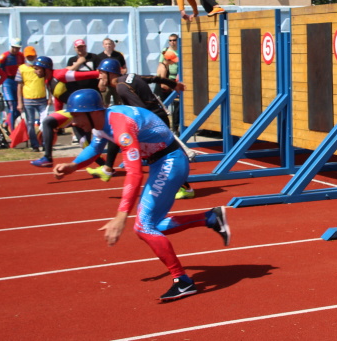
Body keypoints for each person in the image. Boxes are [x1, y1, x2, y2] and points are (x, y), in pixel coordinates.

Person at [52, 89, 230, 301]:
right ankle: (209, 218)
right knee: (150, 225)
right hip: (161, 162)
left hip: (170, 162)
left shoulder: (121, 126)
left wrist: (121, 216)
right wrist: (72, 167)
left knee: (143, 226)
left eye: (77, 116)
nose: (74, 122)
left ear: (93, 112)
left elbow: (134, 173)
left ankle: (182, 281)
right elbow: (94, 148)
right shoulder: (101, 122)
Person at [92, 58, 195, 200]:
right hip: (156, 116)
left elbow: (141, 110)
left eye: (101, 73)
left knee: (159, 155)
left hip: (152, 119)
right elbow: (154, 78)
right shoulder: (130, 77)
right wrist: (174, 84)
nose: (98, 76)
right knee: (121, 135)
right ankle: (108, 168)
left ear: (110, 73)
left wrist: (146, 127)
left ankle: (186, 188)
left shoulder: (122, 88)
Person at [28, 56, 101, 167]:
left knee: (47, 121)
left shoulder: (60, 75)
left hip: (81, 111)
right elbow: (58, 99)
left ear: (46, 68)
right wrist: (57, 122)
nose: (35, 71)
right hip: (74, 112)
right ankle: (106, 167)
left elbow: (83, 75)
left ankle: (47, 157)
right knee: (85, 145)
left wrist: (100, 74)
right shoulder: (48, 81)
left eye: (37, 68)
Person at [66, 39, 100, 142]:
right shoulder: (72, 59)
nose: (80, 49)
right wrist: (79, 63)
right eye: (78, 47)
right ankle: (79, 136)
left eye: (82, 46)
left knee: (94, 114)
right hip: (78, 92)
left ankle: (97, 135)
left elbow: (99, 72)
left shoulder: (94, 57)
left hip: (93, 91)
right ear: (75, 48)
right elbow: (67, 72)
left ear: (85, 47)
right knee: (79, 115)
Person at [15, 46, 47, 152]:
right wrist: (19, 102)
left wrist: (50, 96)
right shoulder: (21, 69)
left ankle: (44, 142)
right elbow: (19, 86)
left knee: (45, 122)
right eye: (28, 56)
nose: (30, 58)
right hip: (28, 100)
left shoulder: (42, 67)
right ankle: (34, 144)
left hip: (42, 99)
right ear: (25, 56)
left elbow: (48, 82)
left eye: (32, 56)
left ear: (36, 56)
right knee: (30, 123)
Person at [0, 37, 25, 129]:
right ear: (10, 46)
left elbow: (24, 70)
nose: (16, 50)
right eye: (14, 47)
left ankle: (6, 123)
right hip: (7, 82)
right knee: (12, 107)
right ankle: (12, 131)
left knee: (18, 108)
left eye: (18, 48)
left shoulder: (21, 56)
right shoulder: (3, 57)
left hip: (18, 83)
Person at [94, 38, 127, 106]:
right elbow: (97, 71)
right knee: (104, 103)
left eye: (109, 44)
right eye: (106, 44)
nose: (108, 46)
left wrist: (123, 73)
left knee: (118, 102)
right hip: (105, 83)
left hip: (116, 82)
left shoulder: (118, 55)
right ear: (103, 45)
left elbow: (124, 67)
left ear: (113, 45)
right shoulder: (99, 56)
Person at [156, 46, 180, 134]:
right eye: (172, 60)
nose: (173, 63)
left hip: (163, 91)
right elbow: (162, 85)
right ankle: (164, 129)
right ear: (168, 60)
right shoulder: (162, 68)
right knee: (162, 111)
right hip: (161, 92)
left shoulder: (165, 66)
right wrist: (173, 89)